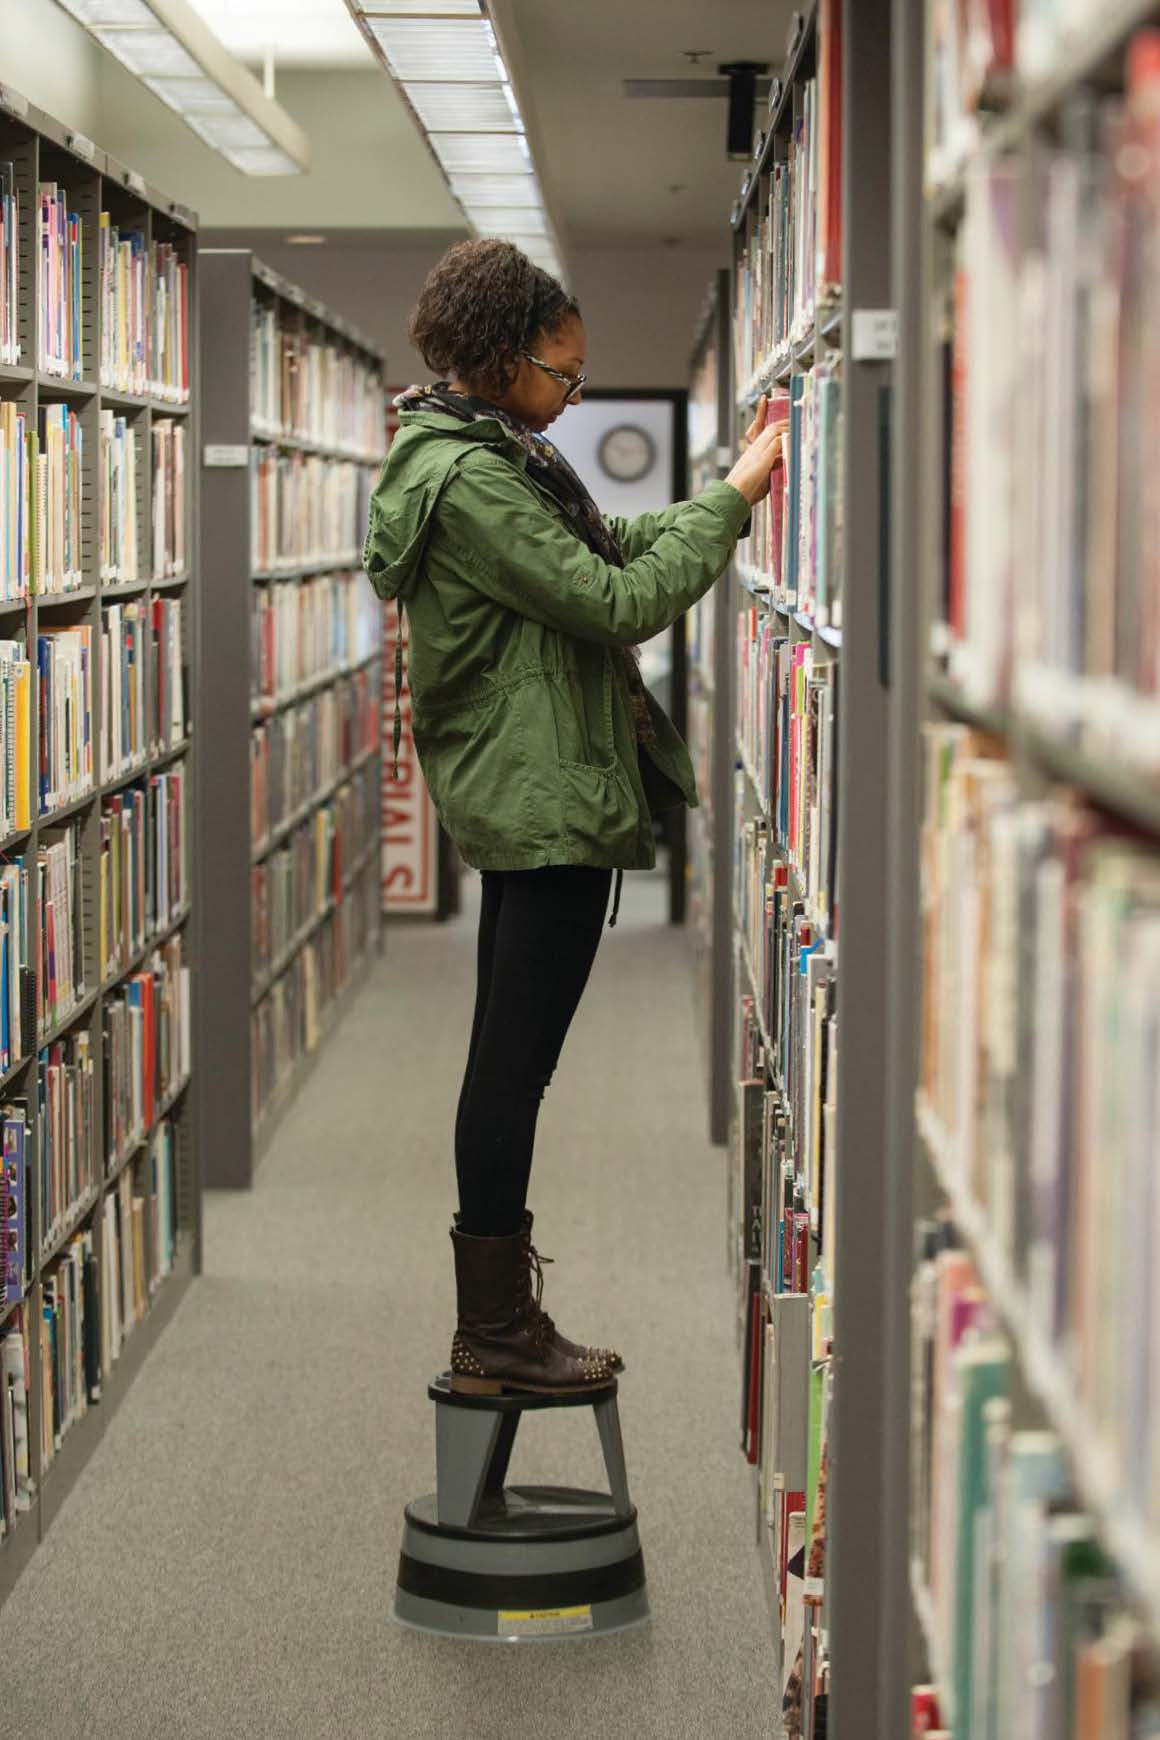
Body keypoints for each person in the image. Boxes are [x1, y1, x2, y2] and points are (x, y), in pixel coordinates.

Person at [363, 239, 785, 1398]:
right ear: (502, 362)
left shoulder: (494, 454)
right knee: (511, 1065)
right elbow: (613, 600)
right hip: (537, 791)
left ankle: (498, 1318)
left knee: (512, 1056)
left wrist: (716, 504)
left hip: (534, 780)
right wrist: (737, 502)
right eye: (562, 374)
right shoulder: (474, 480)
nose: (571, 395)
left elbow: (598, 554)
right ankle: (494, 1329)